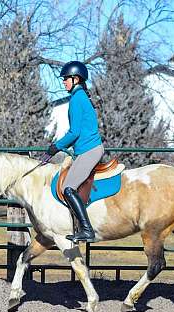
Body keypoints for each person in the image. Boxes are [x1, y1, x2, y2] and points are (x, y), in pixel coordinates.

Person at [46, 60, 104, 243]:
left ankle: (87, 230)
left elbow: (75, 132)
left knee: (68, 188)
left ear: (76, 79)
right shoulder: (79, 97)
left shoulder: (77, 99)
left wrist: (56, 146)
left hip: (90, 150)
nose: (63, 82)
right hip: (86, 149)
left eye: (66, 79)